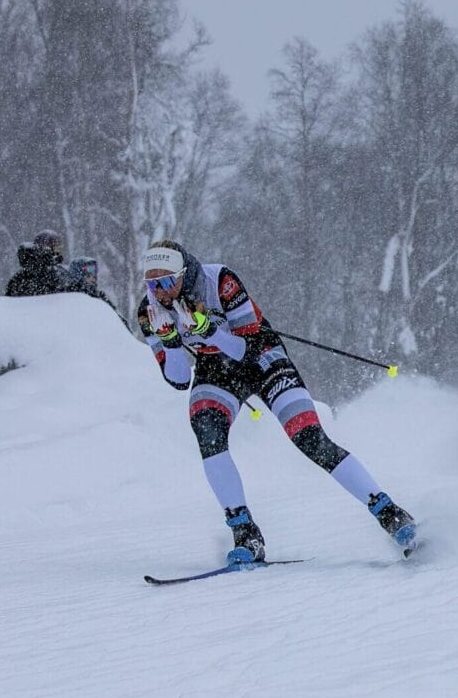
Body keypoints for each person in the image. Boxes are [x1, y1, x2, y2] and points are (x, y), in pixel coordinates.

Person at [136, 239, 418, 562]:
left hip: (261, 357)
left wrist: (210, 331)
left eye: (167, 281)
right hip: (215, 369)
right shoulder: (148, 311)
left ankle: (390, 512)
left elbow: (248, 350)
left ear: (184, 274)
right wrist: (171, 343)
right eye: (152, 282)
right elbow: (179, 380)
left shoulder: (220, 281)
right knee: (207, 431)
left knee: (309, 438)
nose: (160, 291)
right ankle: (245, 533)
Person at [4, 230, 81, 297]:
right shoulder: (51, 274)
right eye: (57, 248)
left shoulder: (19, 277)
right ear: (48, 249)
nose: (59, 253)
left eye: (60, 248)